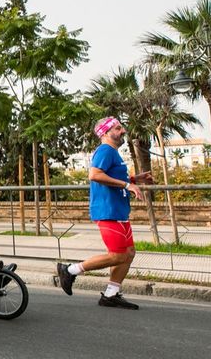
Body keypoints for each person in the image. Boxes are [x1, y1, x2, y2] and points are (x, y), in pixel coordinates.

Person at [57, 117, 153, 310]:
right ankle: (70, 270)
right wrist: (128, 184)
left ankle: (111, 294)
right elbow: (95, 175)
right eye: (117, 128)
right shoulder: (105, 150)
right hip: (107, 211)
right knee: (118, 256)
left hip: (118, 210)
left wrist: (134, 179)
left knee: (129, 253)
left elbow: (112, 176)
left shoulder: (113, 153)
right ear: (106, 132)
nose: (123, 131)